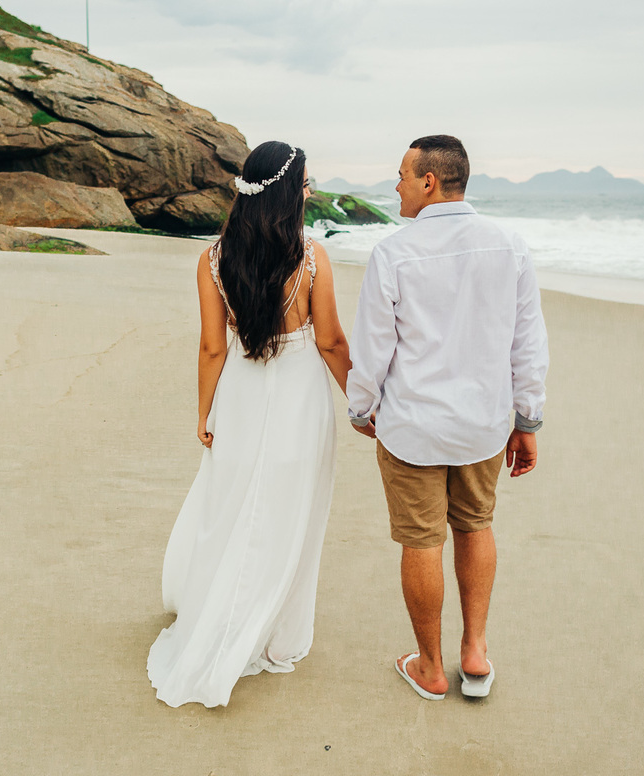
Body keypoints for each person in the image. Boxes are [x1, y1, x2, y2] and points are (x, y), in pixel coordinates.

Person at [147, 141, 352, 708]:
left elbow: (213, 346)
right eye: (307, 184)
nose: (311, 193)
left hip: (238, 394)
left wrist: (205, 411)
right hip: (299, 400)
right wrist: (365, 401)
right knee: (289, 510)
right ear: (290, 192)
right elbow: (331, 341)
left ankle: (222, 614)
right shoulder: (312, 258)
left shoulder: (213, 259)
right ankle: (273, 634)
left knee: (233, 503)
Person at [346, 135, 549, 700]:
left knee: (421, 540)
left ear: (429, 182)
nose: (397, 186)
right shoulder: (510, 246)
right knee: (475, 525)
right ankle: (475, 653)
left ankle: (431, 668)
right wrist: (527, 421)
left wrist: (361, 408)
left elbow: (373, 348)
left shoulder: (394, 252)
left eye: (403, 176)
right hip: (483, 425)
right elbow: (528, 345)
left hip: (413, 426)